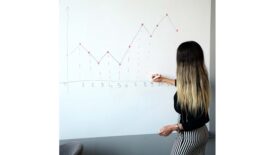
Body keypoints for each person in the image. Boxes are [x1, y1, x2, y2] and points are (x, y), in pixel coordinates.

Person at [152, 41, 210, 155]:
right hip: (202, 134)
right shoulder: (201, 80)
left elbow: (201, 118)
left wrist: (173, 127)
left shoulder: (193, 87)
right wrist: (163, 79)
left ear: (183, 63)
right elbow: (186, 85)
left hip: (189, 137)